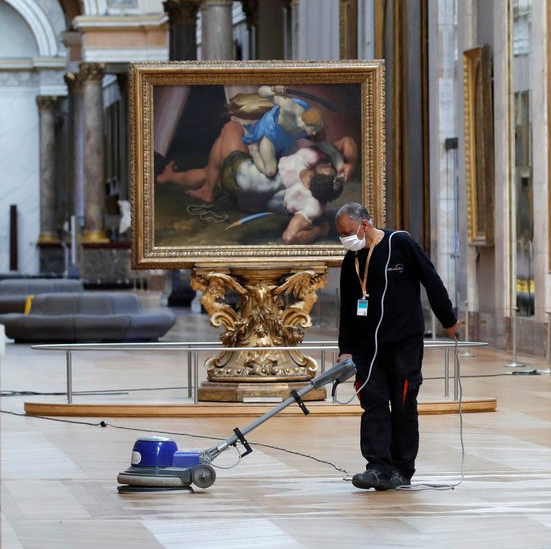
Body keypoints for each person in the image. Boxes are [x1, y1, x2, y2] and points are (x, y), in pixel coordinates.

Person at [335, 202, 459, 491]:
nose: (344, 239)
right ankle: (378, 467)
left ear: (363, 225)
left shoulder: (400, 243)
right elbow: (348, 309)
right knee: (373, 404)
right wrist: (346, 348)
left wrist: (448, 319)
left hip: (404, 345)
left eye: (346, 232)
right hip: (368, 350)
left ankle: (403, 469)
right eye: (340, 235)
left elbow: (431, 280)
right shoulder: (350, 260)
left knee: (403, 405)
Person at [157, 120, 346, 244]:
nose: (329, 164)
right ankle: (171, 177)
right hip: (239, 200)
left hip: (241, 174)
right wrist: (320, 231)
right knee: (210, 171)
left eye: (327, 167)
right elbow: (289, 237)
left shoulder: (305, 159)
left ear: (314, 175)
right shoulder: (314, 207)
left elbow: (339, 145)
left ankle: (207, 189)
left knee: (231, 128)